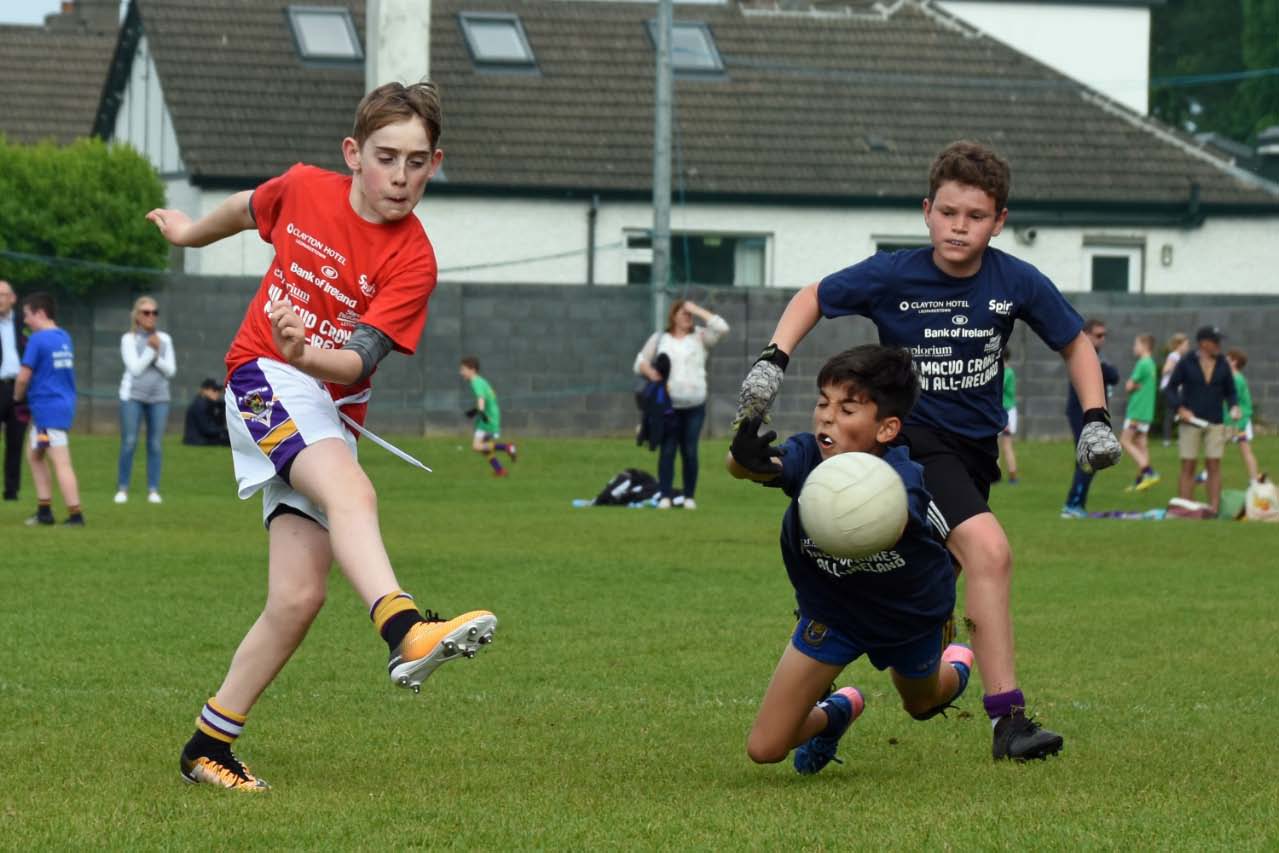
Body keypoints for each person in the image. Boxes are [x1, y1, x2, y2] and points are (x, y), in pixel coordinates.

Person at [144, 81, 497, 791]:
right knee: (350, 489)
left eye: (418, 161)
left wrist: (308, 354)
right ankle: (404, 632)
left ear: (435, 163)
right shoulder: (303, 189)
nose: (400, 176)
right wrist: (185, 235)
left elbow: (357, 359)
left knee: (299, 596)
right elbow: (245, 210)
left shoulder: (414, 259)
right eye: (385, 157)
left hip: (322, 402)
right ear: (352, 153)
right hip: (259, 375)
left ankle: (208, 743)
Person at [733, 141, 1120, 761]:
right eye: (947, 212)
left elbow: (1075, 342)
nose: (958, 226)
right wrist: (772, 361)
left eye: (974, 215)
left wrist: (1096, 419)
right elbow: (812, 296)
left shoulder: (1015, 280)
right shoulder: (894, 273)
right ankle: (1009, 720)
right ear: (926, 211)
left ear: (999, 222)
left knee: (924, 667)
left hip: (970, 459)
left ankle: (881, 675)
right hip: (910, 447)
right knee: (989, 553)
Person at [727, 345, 973, 774]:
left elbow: (923, 533)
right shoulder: (808, 457)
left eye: (847, 409)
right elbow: (751, 466)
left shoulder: (904, 482)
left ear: (886, 428)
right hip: (833, 616)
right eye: (822, 402)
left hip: (909, 618)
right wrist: (742, 457)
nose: (826, 416)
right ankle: (838, 712)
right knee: (764, 748)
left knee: (922, 704)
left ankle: (957, 662)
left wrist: (872, 514)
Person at [633, 299, 729, 510]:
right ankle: (665, 495)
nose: (688, 317)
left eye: (689, 314)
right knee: (667, 450)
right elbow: (639, 361)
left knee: (690, 451)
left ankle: (688, 497)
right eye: (683, 313)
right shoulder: (660, 339)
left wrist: (696, 309)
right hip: (668, 407)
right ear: (673, 316)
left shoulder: (700, 337)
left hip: (695, 405)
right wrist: (650, 372)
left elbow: (722, 328)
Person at [13, 292, 84, 526]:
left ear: (40, 313)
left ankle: (75, 515)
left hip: (46, 409)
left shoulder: (38, 340)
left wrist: (16, 398)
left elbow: (24, 376)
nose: (25, 320)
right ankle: (44, 511)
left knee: (61, 461)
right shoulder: (64, 337)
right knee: (34, 454)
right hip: (61, 404)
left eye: (27, 315)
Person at [1165, 326, 1239, 515]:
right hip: (1191, 422)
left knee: (1214, 465)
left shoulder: (1223, 363)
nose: (1219, 345)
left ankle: (1213, 509)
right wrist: (1180, 409)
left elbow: (1231, 391)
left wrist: (1234, 406)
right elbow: (1170, 389)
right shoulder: (1186, 361)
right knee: (1188, 465)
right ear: (1204, 343)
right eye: (1215, 341)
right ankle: (1184, 508)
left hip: (1215, 422)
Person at [115, 295, 176, 504]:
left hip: (159, 397)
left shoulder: (165, 339)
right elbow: (135, 368)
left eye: (154, 312)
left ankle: (153, 489)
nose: (151, 316)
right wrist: (152, 350)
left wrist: (157, 354)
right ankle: (122, 488)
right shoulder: (128, 339)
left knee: (155, 444)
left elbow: (171, 371)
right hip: (132, 396)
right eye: (146, 312)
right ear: (137, 316)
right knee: (129, 442)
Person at [1061, 319, 1119, 517]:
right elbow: (1112, 374)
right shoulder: (1084, 357)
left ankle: (1078, 505)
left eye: (1104, 336)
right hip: (1080, 413)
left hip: (1095, 414)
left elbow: (1114, 375)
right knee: (1088, 457)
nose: (1102, 340)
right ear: (1086, 335)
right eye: (1098, 335)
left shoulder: (1098, 358)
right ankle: (1072, 505)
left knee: (1094, 458)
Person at [459, 355, 516, 476]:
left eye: (463, 369)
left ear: (472, 369)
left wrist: (479, 411)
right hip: (491, 416)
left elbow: (481, 398)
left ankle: (507, 447)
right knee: (485, 447)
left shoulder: (476, 382)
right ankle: (499, 470)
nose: (461, 372)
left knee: (477, 446)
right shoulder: (480, 381)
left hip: (487, 418)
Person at [0, 279, 30, 501]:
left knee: (16, 441)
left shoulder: (24, 323)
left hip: (20, 390)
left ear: (13, 298)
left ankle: (11, 491)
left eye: (3, 295)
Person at [1120, 334, 1159, 492]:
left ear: (1144, 346)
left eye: (1136, 344)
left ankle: (1148, 472)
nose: (1134, 348)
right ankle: (1141, 481)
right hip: (1147, 412)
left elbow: (1129, 386)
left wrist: (1131, 386)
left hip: (1137, 410)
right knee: (1141, 444)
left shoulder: (1142, 363)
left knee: (1125, 441)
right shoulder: (1151, 364)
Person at [1224, 348, 1260, 485]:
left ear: (1234, 362)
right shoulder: (1233, 377)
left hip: (1240, 421)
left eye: (1228, 358)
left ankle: (1254, 480)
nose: (1224, 360)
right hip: (1236, 420)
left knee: (1244, 450)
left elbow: (1232, 402)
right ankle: (1254, 479)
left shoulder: (1236, 379)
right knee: (1219, 446)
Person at [1159, 333, 1189, 448]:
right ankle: (1166, 440)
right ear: (1178, 345)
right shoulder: (1174, 356)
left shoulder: (1180, 357)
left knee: (1180, 412)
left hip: (1177, 389)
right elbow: (1165, 370)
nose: (1187, 347)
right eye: (1185, 345)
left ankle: (1180, 438)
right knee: (1170, 413)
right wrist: (1176, 368)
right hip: (1169, 389)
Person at [183, 378, 230, 446]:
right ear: (204, 390)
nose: (217, 393)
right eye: (214, 390)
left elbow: (218, 425)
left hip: (204, 438)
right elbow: (207, 429)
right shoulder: (199, 405)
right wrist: (224, 431)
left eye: (219, 390)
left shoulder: (214, 404)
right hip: (198, 440)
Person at [997, 349, 1018, 484]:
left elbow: (1000, 387)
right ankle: (1012, 476)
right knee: (1005, 445)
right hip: (1008, 411)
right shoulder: (1011, 372)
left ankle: (1003, 475)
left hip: (1004, 412)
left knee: (1003, 446)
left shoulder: (1005, 372)